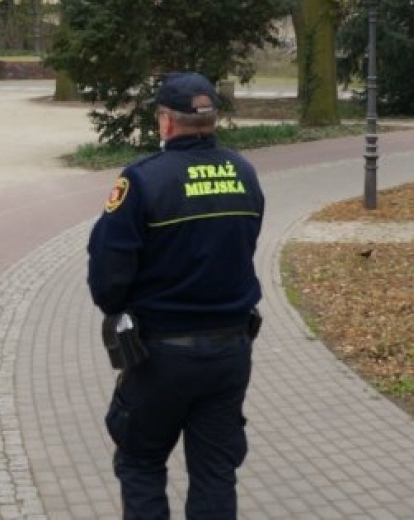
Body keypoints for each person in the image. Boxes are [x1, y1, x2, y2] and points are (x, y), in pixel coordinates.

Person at [87, 71, 265, 519]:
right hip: (230, 352)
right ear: (212, 120)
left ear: (165, 122)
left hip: (159, 358)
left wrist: (119, 308)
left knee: (141, 462)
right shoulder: (243, 173)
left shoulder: (142, 181)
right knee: (215, 474)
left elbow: (108, 276)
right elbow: (246, 245)